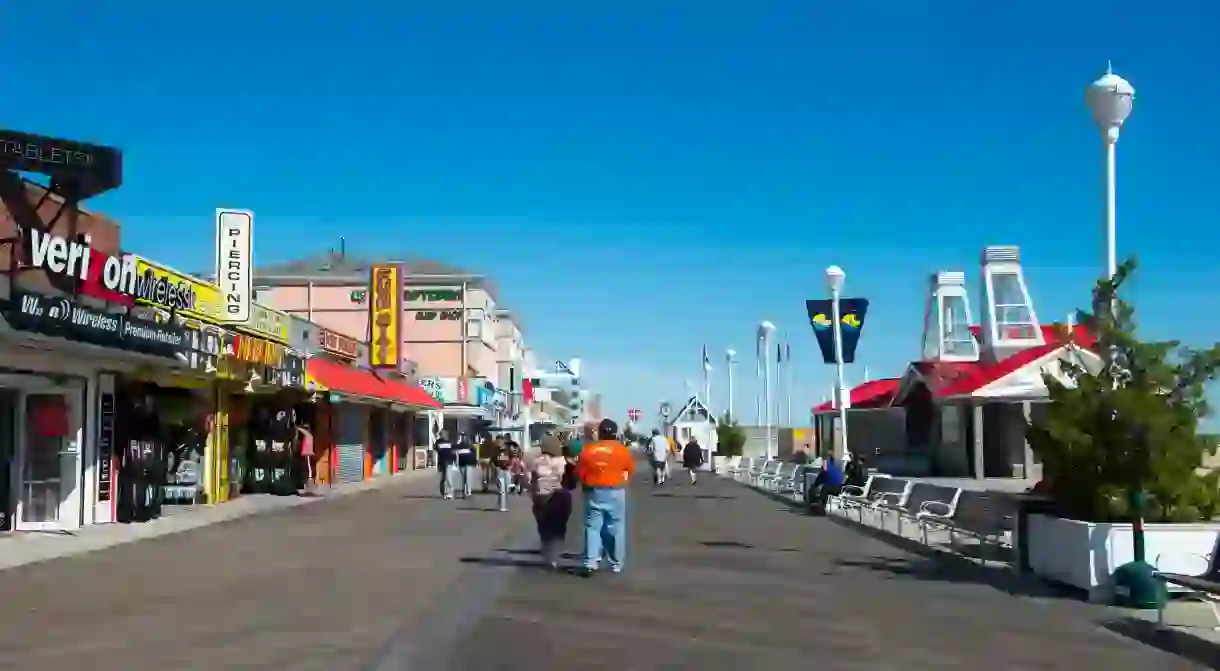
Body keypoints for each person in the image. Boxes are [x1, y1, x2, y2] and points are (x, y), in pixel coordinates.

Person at [575, 418, 635, 577]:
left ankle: (590, 562)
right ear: (615, 433)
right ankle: (616, 562)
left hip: (594, 490)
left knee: (592, 527)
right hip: (616, 490)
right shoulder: (622, 450)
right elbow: (629, 469)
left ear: (600, 433)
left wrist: (586, 482)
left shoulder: (588, 450)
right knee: (615, 526)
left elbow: (580, 471)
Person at [531, 435, 575, 569]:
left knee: (543, 526)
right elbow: (569, 479)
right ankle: (554, 555)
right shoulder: (561, 462)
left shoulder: (537, 462)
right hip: (556, 496)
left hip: (539, 498)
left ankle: (546, 552)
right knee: (558, 526)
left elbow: (531, 480)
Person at [488, 434, 511, 512]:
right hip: (499, 470)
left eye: (501, 441)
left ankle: (503, 502)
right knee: (501, 488)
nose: (499, 442)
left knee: (506, 488)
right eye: (498, 441)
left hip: (507, 470)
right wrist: (494, 469)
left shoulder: (507, 450)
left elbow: (512, 459)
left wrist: (510, 467)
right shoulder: (495, 451)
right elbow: (491, 462)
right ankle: (501, 505)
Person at [435, 431, 456, 499]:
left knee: (448, 477)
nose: (442, 435)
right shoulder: (438, 442)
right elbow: (436, 450)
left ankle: (449, 493)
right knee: (443, 478)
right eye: (441, 434)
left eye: (443, 434)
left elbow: (453, 452)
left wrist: (454, 460)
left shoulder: (450, 442)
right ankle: (443, 492)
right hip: (442, 462)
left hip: (449, 461)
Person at [455, 433, 478, 498]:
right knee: (464, 478)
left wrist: (475, 463)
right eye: (462, 437)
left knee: (467, 477)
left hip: (469, 464)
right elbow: (456, 454)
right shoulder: (459, 446)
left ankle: (468, 491)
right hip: (461, 464)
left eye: (464, 437)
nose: (464, 438)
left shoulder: (471, 446)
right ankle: (465, 490)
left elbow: (474, 456)